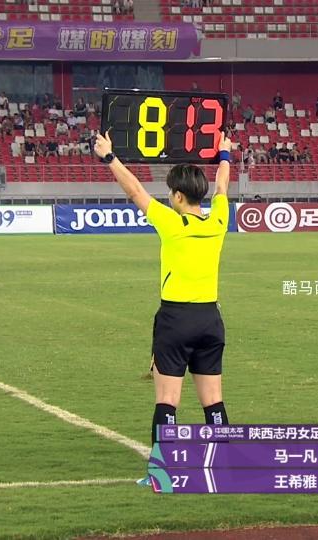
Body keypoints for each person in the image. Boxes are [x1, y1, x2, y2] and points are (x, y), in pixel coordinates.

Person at [94, 130, 234, 490]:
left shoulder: (172, 223)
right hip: (210, 319)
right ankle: (224, 466)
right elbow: (222, 185)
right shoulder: (218, 221)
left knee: (168, 400)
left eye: (171, 193)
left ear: (178, 196)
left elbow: (135, 191)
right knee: (213, 400)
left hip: (176, 319)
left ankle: (163, 472)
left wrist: (109, 157)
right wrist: (224, 153)